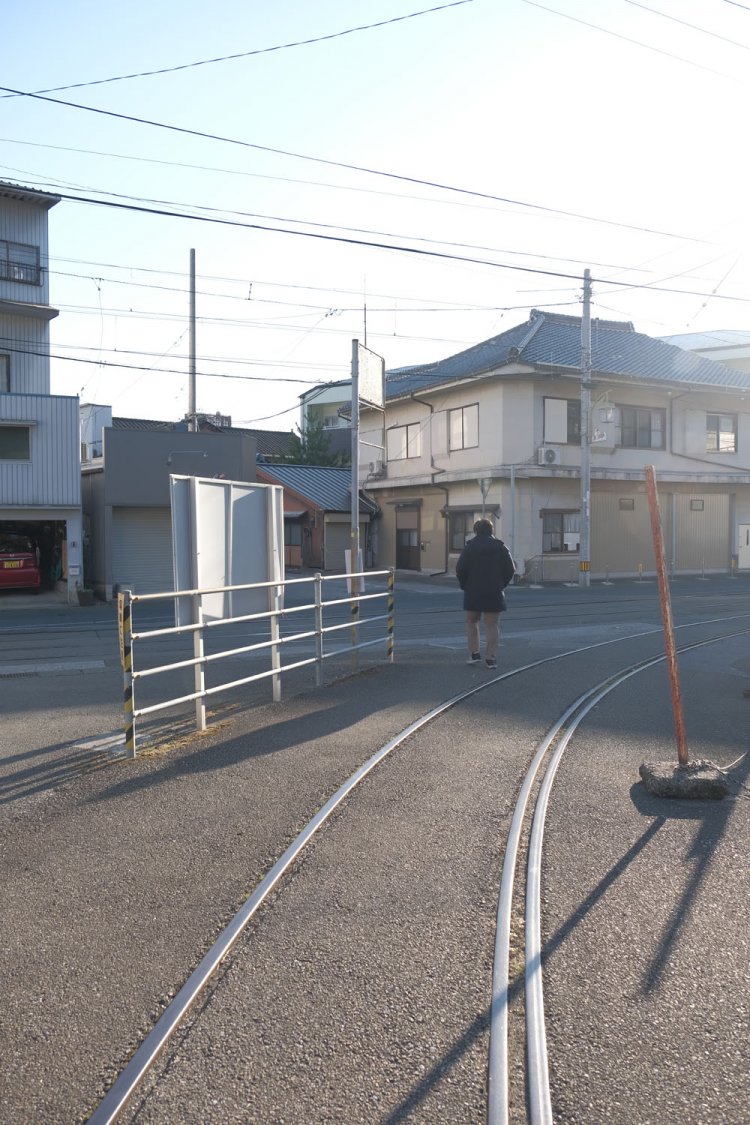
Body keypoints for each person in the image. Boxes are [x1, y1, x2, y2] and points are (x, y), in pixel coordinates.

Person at [456, 518, 516, 669]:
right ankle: (491, 658)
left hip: (473, 590)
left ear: (475, 530)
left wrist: (465, 585)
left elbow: (460, 569)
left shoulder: (470, 547)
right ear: (491, 530)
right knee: (492, 625)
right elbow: (511, 569)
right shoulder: (501, 547)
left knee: (471, 622)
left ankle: (474, 654)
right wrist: (502, 584)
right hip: (494, 591)